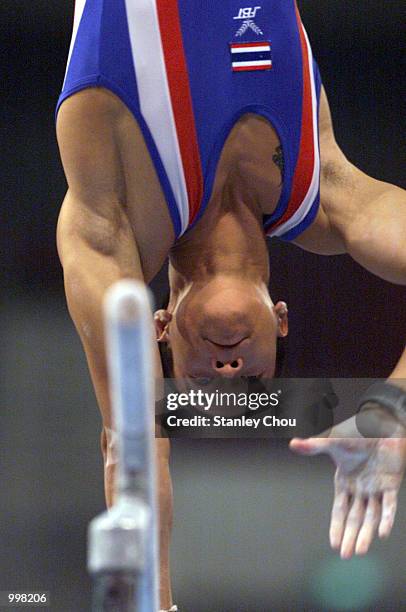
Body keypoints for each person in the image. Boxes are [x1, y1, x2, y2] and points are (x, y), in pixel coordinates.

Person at [55, 1, 406, 609]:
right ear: (282, 320)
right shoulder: (323, 196)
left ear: (158, 330)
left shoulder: (105, 237)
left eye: (196, 384)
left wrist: (155, 603)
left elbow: (134, 450)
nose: (226, 373)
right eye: (250, 385)